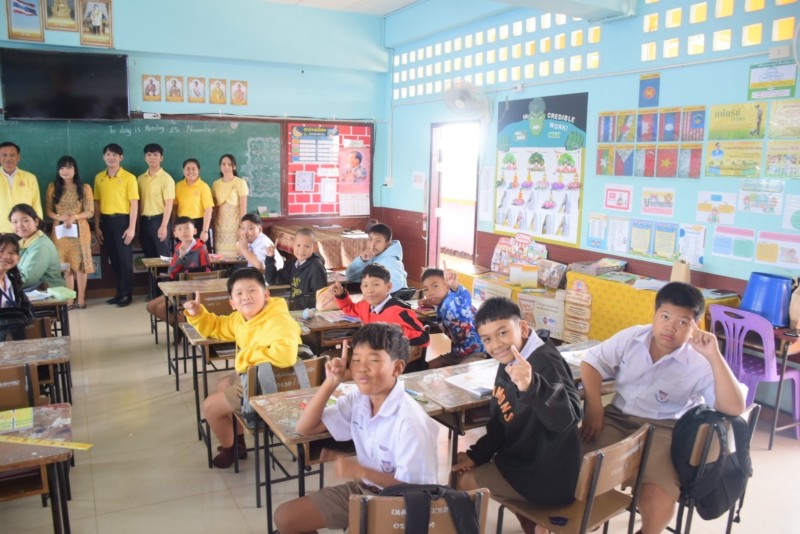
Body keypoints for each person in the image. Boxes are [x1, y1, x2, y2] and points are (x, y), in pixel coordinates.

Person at [580, 282, 745, 534]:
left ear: (696, 326)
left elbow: (734, 408)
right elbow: (592, 363)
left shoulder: (700, 359)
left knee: (658, 497)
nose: (670, 327)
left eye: (682, 322)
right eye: (665, 317)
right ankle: (584, 520)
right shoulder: (632, 337)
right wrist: (594, 407)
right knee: (579, 469)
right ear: (655, 314)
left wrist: (714, 356)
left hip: (666, 430)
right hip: (616, 418)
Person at [273, 323, 440, 534]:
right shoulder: (359, 399)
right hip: (364, 488)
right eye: (357, 359)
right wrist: (331, 382)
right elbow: (305, 428)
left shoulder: (410, 421)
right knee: (286, 518)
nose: (362, 368)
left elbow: (418, 492)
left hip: (400, 504)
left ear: (397, 368)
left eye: (373, 360)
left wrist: (361, 470)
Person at [452, 297, 582, 534]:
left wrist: (532, 386)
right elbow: (501, 418)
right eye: (487, 339)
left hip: (545, 473)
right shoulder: (511, 357)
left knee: (462, 481)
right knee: (466, 466)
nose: (496, 345)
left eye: (503, 333)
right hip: (527, 461)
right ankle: (533, 524)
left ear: (522, 327)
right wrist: (477, 455)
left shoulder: (544, 362)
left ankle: (532, 521)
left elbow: (568, 418)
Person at [183, 267, 301, 468]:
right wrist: (197, 313)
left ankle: (230, 450)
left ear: (266, 294)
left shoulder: (279, 320)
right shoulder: (241, 318)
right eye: (239, 293)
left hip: (273, 383)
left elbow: (285, 355)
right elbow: (217, 327)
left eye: (252, 291)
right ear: (232, 303)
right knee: (222, 384)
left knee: (210, 407)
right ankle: (238, 444)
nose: (245, 297)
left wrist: (245, 358)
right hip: (255, 376)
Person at [329, 263, 430, 372]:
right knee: (332, 363)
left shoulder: (399, 311)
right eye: (365, 285)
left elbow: (423, 337)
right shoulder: (365, 306)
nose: (370, 290)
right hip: (374, 358)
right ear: (361, 288)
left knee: (342, 371)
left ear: (388, 287)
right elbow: (350, 309)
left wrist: (391, 334)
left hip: (395, 366)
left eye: (376, 284)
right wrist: (341, 294)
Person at [45, 156, 95, 310]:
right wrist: (59, 217)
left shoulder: (85, 188)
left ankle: (81, 298)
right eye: (62, 168)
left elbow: (90, 211)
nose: (65, 171)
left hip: (80, 230)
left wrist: (75, 217)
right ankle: (69, 299)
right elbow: (48, 210)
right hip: (61, 232)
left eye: (68, 167)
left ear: (75, 170)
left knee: (80, 266)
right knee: (66, 266)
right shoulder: (53, 187)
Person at [93, 143, 139, 308]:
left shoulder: (129, 177)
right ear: (103, 157)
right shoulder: (99, 178)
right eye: (108, 154)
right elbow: (96, 204)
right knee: (114, 259)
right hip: (106, 222)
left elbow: (134, 204)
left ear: (121, 158)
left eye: (115, 155)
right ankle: (119, 292)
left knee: (125, 259)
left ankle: (127, 294)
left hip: (123, 222)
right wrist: (97, 226)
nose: (111, 158)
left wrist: (132, 228)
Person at [146, 217, 210, 324]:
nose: (184, 232)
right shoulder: (178, 247)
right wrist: (181, 256)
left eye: (187, 228)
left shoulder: (201, 248)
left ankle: (184, 327)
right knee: (150, 307)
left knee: (160, 309)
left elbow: (206, 273)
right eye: (179, 229)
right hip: (178, 287)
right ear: (175, 234)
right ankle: (182, 327)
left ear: (194, 231)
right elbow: (171, 273)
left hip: (193, 291)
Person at [419, 265, 485, 368]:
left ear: (447, 286)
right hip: (458, 353)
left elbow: (462, 300)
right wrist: (432, 304)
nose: (430, 293)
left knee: (459, 375)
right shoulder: (442, 303)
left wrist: (455, 287)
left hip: (477, 352)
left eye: (435, 286)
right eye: (426, 289)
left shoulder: (453, 303)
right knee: (428, 367)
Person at [263, 227, 326, 311]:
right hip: (296, 309)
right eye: (298, 245)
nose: (302, 249)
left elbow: (320, 296)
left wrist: (292, 303)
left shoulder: (316, 267)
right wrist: (270, 258)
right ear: (293, 245)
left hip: (311, 312)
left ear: (314, 247)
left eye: (307, 246)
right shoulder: (293, 264)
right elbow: (272, 279)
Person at [9, 203, 65, 292]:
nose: (19, 225)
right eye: (15, 222)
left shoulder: (41, 246)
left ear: (36, 221)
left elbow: (26, 279)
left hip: (48, 294)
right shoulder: (23, 242)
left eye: (25, 221)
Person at [345, 223, 408, 295]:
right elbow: (351, 277)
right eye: (370, 239)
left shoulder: (391, 261)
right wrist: (362, 260)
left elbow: (396, 285)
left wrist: (373, 293)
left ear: (387, 244)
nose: (373, 244)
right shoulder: (370, 257)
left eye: (378, 241)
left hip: (393, 298)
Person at [138, 143, 175, 263]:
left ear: (161, 158)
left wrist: (164, 226)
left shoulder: (166, 178)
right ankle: (152, 277)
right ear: (145, 158)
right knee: (150, 259)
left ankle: (165, 277)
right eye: (149, 155)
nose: (152, 157)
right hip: (144, 222)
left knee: (163, 258)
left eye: (155, 154)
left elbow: (169, 204)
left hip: (160, 221)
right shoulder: (140, 179)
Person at [0, 142, 42, 234]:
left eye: (12, 155)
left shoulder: (30, 178)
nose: (8, 158)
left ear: (18, 157)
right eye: (4, 155)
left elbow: (36, 204)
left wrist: (38, 227)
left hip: (24, 230)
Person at [212, 154, 248, 255]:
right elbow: (214, 207)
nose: (226, 167)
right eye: (223, 164)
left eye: (229, 164)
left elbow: (243, 207)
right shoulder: (215, 184)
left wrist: (242, 227)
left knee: (235, 253)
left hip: (235, 223)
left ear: (234, 166)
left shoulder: (240, 182)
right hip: (220, 224)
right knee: (220, 255)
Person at [173, 158, 213, 245]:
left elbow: (208, 210)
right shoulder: (178, 186)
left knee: (200, 251)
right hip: (182, 224)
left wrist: (205, 231)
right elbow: (174, 207)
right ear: (183, 171)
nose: (190, 171)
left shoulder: (204, 187)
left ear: (198, 170)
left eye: (193, 169)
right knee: (183, 251)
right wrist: (174, 227)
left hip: (199, 224)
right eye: (188, 169)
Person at [0, 233, 32, 340]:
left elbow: (27, 307)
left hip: (14, 338)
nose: (6, 257)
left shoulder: (13, 280)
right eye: (1, 251)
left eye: (12, 253)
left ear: (18, 258)